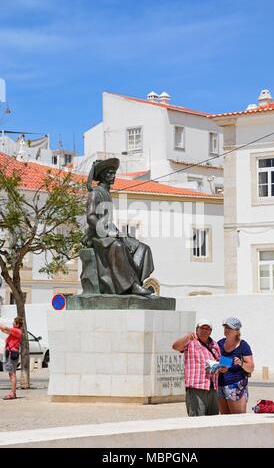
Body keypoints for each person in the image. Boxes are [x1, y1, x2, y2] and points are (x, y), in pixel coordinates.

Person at [81, 158, 154, 296]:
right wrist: (108, 233)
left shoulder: (107, 193)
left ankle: (137, 282)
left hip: (110, 231)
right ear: (102, 175)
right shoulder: (95, 193)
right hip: (98, 236)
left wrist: (119, 233)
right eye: (110, 173)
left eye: (114, 173)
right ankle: (130, 286)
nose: (113, 176)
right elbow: (91, 217)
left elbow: (107, 220)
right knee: (118, 247)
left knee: (142, 247)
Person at [172, 319, 222, 417]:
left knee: (213, 419)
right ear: (197, 330)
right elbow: (175, 347)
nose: (204, 330)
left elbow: (220, 362)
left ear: (211, 331)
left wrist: (223, 367)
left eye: (207, 328)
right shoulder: (190, 341)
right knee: (197, 419)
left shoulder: (215, 345)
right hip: (196, 386)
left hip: (212, 387)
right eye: (202, 328)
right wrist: (187, 338)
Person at [217, 317, 254, 414]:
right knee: (225, 420)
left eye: (229, 328)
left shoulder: (243, 345)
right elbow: (220, 363)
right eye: (225, 327)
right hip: (221, 386)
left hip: (236, 386)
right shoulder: (220, 343)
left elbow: (251, 368)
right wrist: (220, 368)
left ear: (237, 331)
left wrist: (241, 363)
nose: (226, 330)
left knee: (238, 419)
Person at [0, 317, 23, 400]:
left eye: (14, 322)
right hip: (10, 354)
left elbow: (5, 328)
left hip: (12, 354)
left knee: (12, 374)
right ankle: (13, 393)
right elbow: (4, 330)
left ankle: (12, 393)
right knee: (11, 374)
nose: (13, 323)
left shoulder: (17, 331)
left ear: (17, 324)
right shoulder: (15, 331)